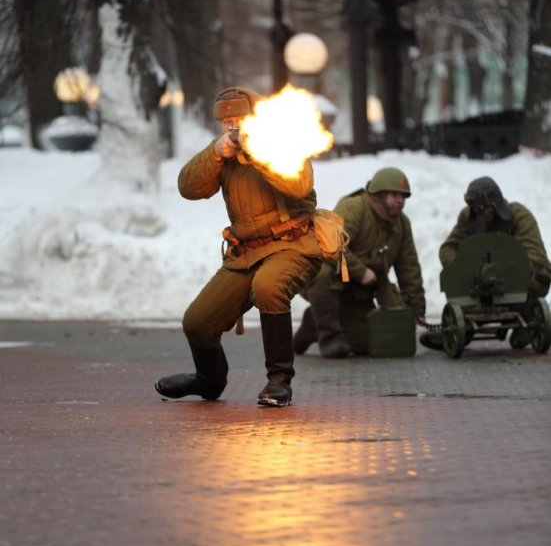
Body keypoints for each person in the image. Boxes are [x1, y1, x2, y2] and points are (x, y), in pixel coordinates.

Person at [155, 86, 323, 407]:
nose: (233, 125)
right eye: (226, 120)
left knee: (269, 286)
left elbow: (299, 185)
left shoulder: (284, 140)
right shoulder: (225, 151)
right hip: (246, 252)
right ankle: (209, 380)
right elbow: (188, 187)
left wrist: (258, 152)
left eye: (239, 118)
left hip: (292, 245)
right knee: (198, 322)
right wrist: (216, 153)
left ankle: (279, 381)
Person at [293, 167, 426, 358]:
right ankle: (330, 339)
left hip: (360, 289)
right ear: (377, 196)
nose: (400, 200)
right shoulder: (354, 208)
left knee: (373, 342)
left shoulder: (402, 224)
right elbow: (330, 244)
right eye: (394, 195)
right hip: (325, 279)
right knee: (323, 272)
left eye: (404, 196)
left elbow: (409, 268)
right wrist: (361, 271)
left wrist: (417, 308)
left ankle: (314, 321)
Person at [420, 176, 551, 350]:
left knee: (538, 275)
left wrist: (507, 271)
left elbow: (535, 254)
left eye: (486, 208)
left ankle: (527, 320)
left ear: (497, 204)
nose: (481, 212)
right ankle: (462, 329)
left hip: (518, 282)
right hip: (478, 284)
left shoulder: (519, 216)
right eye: (475, 208)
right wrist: (462, 267)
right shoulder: (467, 218)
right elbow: (448, 248)